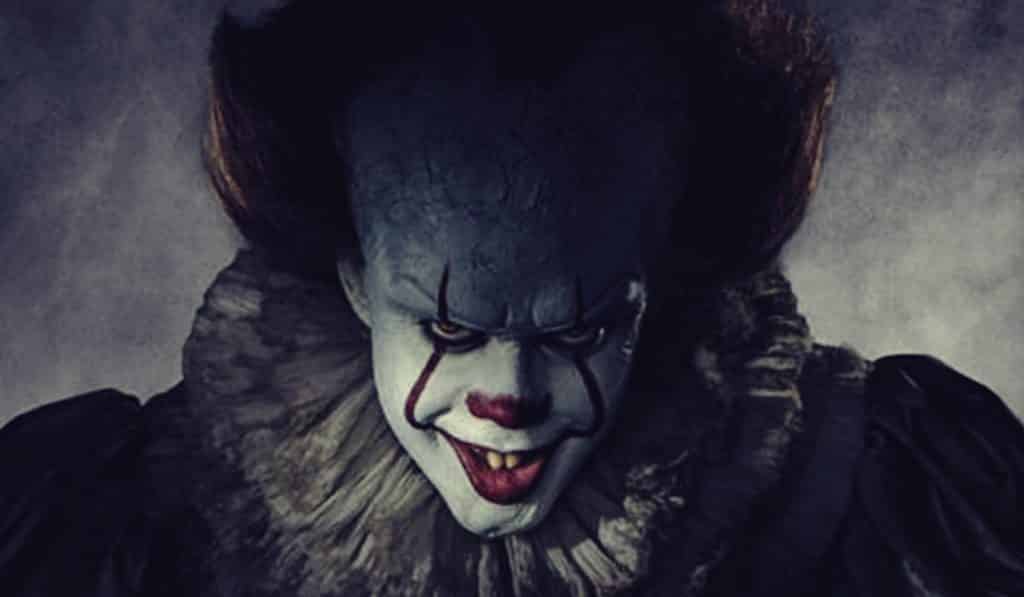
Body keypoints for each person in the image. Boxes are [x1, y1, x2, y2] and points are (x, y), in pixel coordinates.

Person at [2, 1, 1022, 595]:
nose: (512, 395)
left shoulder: (896, 503)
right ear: (353, 276)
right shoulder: (105, 529)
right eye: (450, 324)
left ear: (663, 278)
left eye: (582, 325)